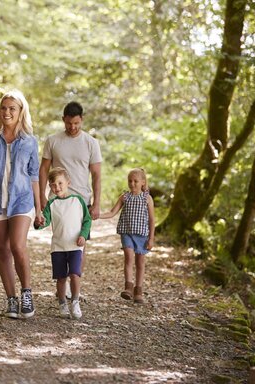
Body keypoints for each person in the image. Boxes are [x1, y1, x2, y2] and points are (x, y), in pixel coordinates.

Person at [0, 89, 42, 319]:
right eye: (4, 108)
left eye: (12, 108)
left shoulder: (30, 141)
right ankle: (11, 300)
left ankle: (26, 292)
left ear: (21, 111)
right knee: (2, 250)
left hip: (22, 201)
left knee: (17, 246)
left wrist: (39, 207)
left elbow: (34, 176)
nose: (7, 112)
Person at [39, 101, 102, 298]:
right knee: (61, 240)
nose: (72, 127)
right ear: (63, 120)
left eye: (76, 123)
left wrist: (97, 203)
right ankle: (63, 284)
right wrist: (41, 196)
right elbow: (43, 170)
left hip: (82, 201)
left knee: (80, 244)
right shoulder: (53, 141)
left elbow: (97, 175)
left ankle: (75, 286)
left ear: (82, 120)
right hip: (58, 202)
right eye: (68, 123)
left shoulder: (91, 143)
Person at [35, 168, 91, 319]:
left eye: (60, 183)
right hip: (58, 247)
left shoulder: (78, 201)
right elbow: (45, 221)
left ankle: (75, 301)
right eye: (53, 185)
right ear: (50, 187)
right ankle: (62, 303)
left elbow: (87, 220)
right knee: (61, 277)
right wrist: (39, 222)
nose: (57, 187)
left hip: (75, 246)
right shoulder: (52, 204)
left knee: (75, 274)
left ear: (68, 183)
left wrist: (83, 236)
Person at [100, 168, 155, 304]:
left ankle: (138, 291)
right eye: (130, 181)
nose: (132, 184)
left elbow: (152, 220)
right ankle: (128, 287)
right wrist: (98, 215)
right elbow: (112, 212)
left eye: (136, 181)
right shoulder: (125, 197)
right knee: (129, 258)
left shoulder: (147, 198)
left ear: (142, 182)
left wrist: (151, 238)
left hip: (142, 235)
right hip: (127, 233)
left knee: (140, 263)